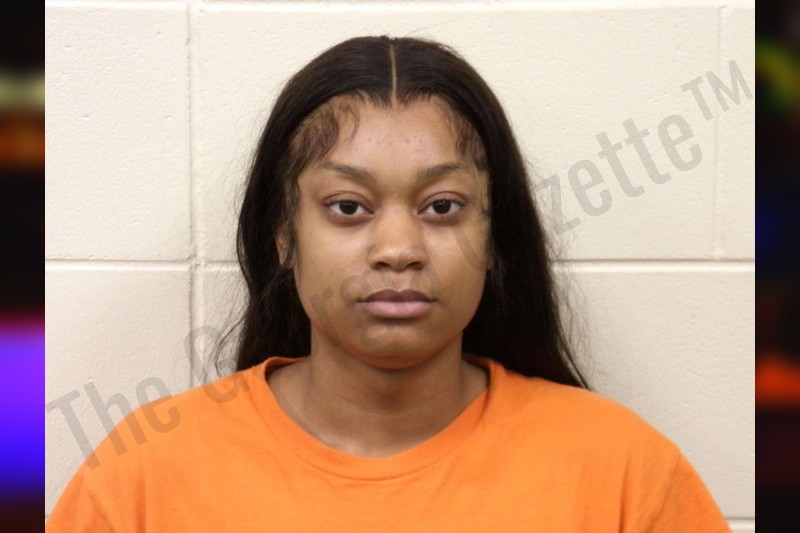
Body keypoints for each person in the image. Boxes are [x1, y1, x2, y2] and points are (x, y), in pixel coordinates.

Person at [47, 36, 730, 532]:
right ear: (283, 233)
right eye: (348, 207)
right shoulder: (145, 475)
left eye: (443, 207)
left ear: (495, 235)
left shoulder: (623, 471)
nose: (398, 249)